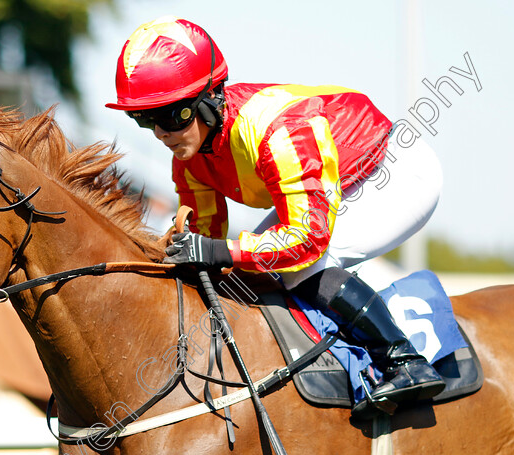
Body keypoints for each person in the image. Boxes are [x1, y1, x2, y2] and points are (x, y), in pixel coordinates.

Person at [105, 16, 446, 419]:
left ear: (211, 98)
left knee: (301, 266)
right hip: (339, 182)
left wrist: (218, 251)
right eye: (145, 120)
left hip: (391, 171)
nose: (161, 133)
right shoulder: (191, 158)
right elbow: (206, 243)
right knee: (247, 271)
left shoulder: (278, 133)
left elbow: (305, 240)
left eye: (172, 116)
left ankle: (404, 360)